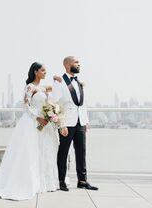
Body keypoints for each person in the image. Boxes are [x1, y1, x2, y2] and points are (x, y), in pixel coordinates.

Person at [0, 62, 61, 200]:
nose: (45, 72)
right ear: (36, 72)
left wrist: (57, 80)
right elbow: (25, 105)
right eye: (43, 70)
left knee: (45, 150)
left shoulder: (44, 87)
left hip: (45, 122)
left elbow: (57, 92)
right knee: (31, 151)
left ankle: (46, 182)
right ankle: (29, 182)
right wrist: (37, 118)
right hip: (32, 122)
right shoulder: (30, 87)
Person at [52, 56, 99, 191]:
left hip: (80, 123)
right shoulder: (59, 82)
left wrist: (86, 121)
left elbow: (82, 104)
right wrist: (61, 125)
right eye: (77, 62)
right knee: (63, 152)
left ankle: (82, 181)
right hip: (66, 123)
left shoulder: (79, 82)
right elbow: (56, 103)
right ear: (67, 64)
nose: (79, 65)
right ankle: (61, 181)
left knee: (81, 152)